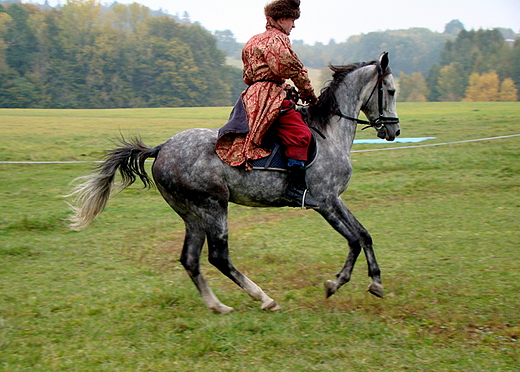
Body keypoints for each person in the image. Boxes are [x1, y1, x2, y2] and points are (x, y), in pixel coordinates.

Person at [215, 0, 319, 209]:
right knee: (301, 134)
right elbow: (290, 69)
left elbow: (249, 73)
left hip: (250, 96)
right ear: (281, 19)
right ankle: (295, 190)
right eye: (292, 20)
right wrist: (308, 93)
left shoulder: (253, 40)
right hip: (270, 97)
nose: (293, 25)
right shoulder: (278, 39)